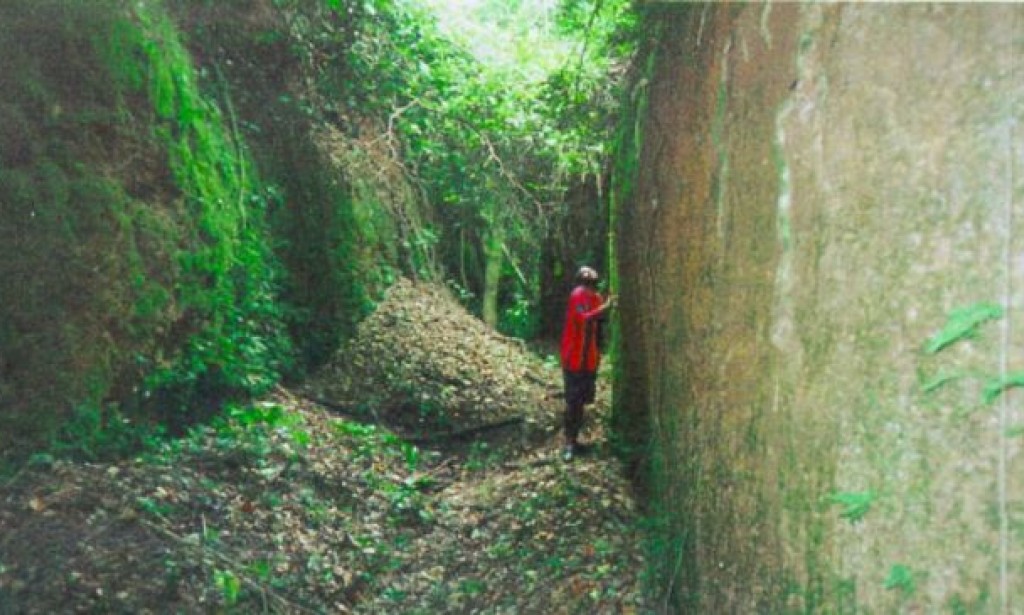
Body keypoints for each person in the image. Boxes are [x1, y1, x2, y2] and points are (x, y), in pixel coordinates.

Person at [559, 265, 615, 461]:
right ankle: (568, 444)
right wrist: (605, 308)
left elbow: (600, 325)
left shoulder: (596, 298)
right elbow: (583, 318)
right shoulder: (578, 294)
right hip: (574, 358)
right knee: (573, 402)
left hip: (589, 359)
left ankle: (574, 441)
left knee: (582, 402)